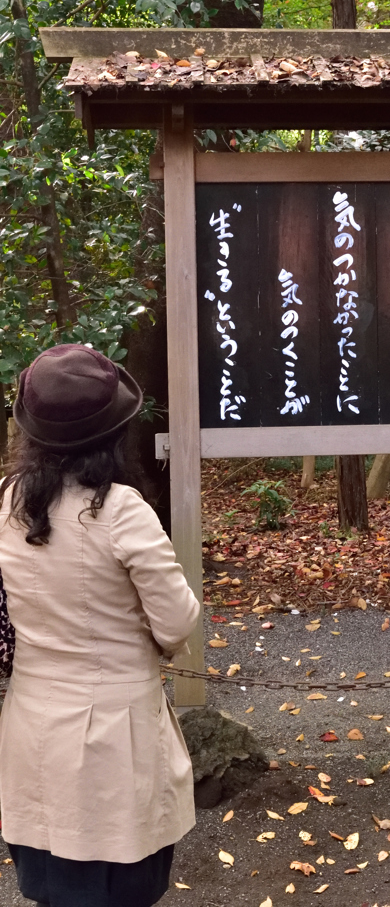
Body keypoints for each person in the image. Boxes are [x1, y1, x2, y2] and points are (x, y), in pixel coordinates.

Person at [0, 344, 201, 907]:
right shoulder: (120, 509)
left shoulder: (7, 504)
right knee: (120, 888)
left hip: (33, 730)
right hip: (116, 739)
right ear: (114, 431)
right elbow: (177, 619)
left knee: (52, 887)